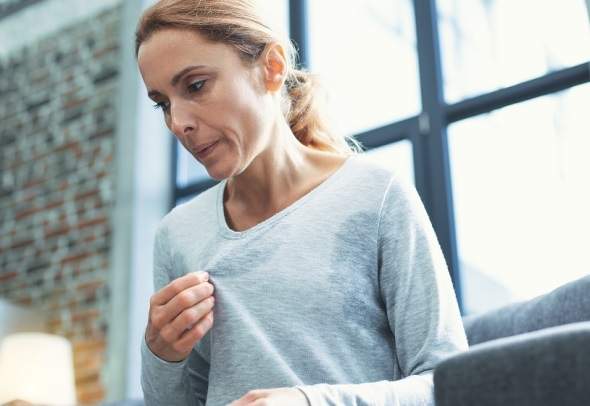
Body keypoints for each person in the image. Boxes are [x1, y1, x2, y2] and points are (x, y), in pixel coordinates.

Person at [136, 1, 468, 405]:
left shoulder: (376, 195)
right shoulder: (177, 235)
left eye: (196, 86)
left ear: (272, 67)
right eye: (163, 103)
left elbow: (448, 384)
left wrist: (309, 402)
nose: (178, 123)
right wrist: (160, 355)